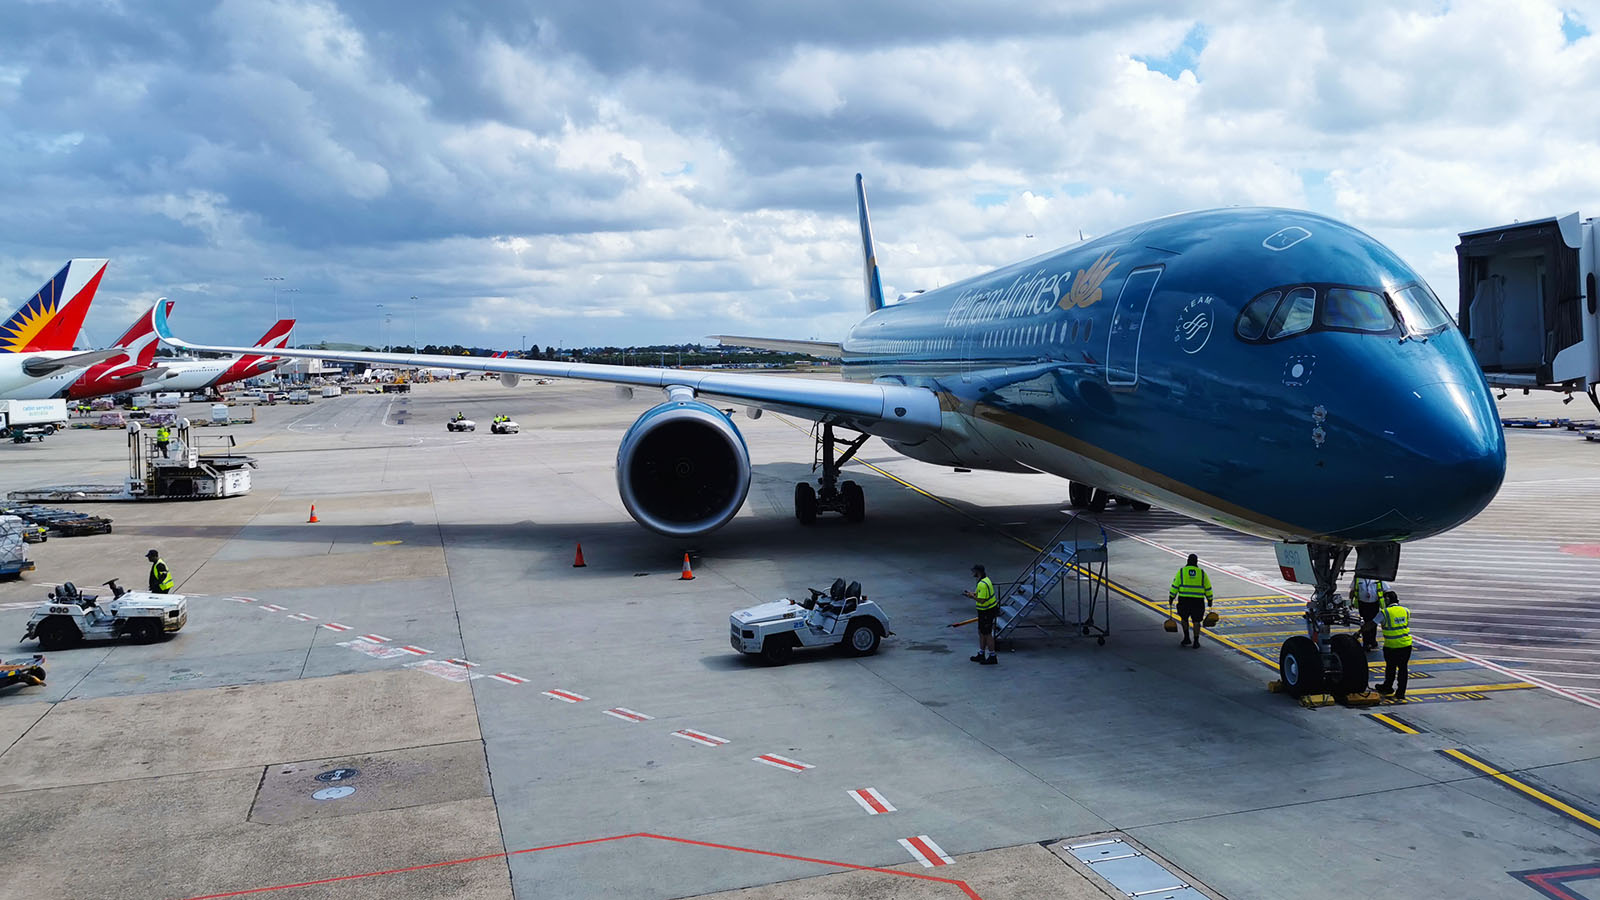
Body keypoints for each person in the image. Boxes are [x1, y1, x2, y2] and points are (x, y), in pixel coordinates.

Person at [1169, 553, 1213, 648]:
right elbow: (1208, 587)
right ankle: (1196, 641)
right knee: (1196, 621)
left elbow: (1175, 586)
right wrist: (1210, 600)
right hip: (1198, 601)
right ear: (1196, 562)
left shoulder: (1182, 571)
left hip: (1184, 600)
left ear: (1187, 561)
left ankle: (1186, 638)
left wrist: (1171, 597)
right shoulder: (1201, 573)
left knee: (1184, 619)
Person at [1375, 590, 1412, 701]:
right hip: (1406, 645)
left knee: (1390, 667)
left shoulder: (1385, 612)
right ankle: (1401, 692)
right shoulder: (1406, 611)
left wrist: (1359, 632)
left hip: (1391, 646)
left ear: (1387, 600)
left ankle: (1387, 687)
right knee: (1403, 669)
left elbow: (1372, 624)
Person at [963, 563, 998, 665]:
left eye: (974, 571)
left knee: (987, 633)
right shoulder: (985, 580)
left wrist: (971, 597)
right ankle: (981, 653)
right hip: (985, 611)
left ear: (978, 572)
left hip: (987, 611)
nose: (972, 573)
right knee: (981, 632)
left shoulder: (982, 584)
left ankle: (992, 656)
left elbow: (982, 600)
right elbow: (982, 595)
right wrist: (972, 594)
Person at [1351, 576, 1384, 651]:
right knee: (1364, 622)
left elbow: (1384, 590)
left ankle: (1372, 641)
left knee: (1373, 622)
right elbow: (1353, 590)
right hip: (1363, 604)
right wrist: (1351, 601)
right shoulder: (1358, 578)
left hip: (1374, 604)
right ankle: (1366, 642)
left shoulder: (1377, 578)